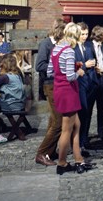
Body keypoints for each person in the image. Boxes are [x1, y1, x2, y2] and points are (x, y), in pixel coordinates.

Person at [47, 22, 93, 175]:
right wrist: (79, 71)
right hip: (68, 92)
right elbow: (70, 77)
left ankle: (78, 159)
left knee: (76, 125)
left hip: (60, 90)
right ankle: (62, 163)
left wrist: (73, 66)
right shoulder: (69, 50)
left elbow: (50, 72)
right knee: (66, 129)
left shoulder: (56, 49)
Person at [34, 18, 64, 166]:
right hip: (50, 85)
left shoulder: (58, 44)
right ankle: (41, 153)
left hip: (58, 84)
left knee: (53, 121)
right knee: (59, 122)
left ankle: (49, 152)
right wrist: (58, 67)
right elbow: (39, 65)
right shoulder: (46, 44)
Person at [84, 25, 103, 142]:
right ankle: (84, 136)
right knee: (89, 109)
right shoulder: (87, 46)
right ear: (100, 35)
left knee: (102, 108)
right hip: (92, 81)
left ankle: (101, 133)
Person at [74, 22, 97, 152]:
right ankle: (77, 144)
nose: (84, 36)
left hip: (89, 84)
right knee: (80, 116)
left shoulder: (88, 47)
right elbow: (72, 67)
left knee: (86, 115)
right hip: (77, 85)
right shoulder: (72, 48)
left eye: (86, 34)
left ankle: (83, 141)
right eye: (82, 34)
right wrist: (84, 65)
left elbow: (91, 63)